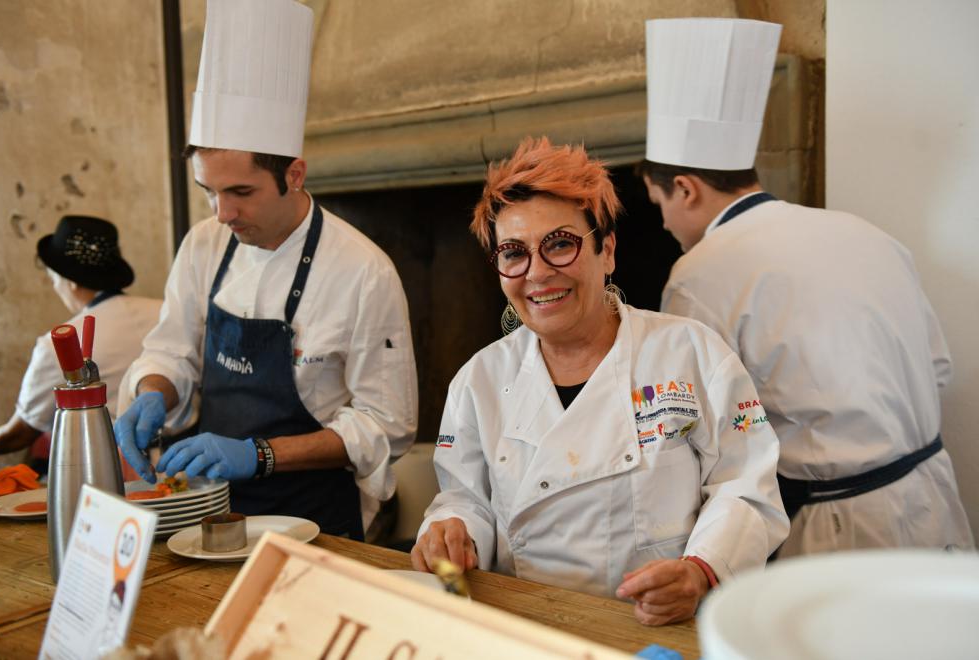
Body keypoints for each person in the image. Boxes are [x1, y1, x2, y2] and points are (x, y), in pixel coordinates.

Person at [411, 137, 788, 626]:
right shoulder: (479, 379)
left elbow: (746, 486)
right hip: (522, 625)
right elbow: (466, 497)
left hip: (651, 627)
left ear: (606, 250)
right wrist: (452, 529)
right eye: (513, 253)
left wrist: (701, 570)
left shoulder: (692, 354)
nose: (538, 274)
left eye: (560, 244)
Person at [639, 17, 974, 557]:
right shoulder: (865, 231)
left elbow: (702, 431)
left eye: (660, 208)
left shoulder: (700, 273)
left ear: (684, 188)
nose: (664, 226)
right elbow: (937, 367)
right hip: (933, 497)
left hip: (840, 529)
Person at [114, 0, 417, 541]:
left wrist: (258, 455)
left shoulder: (363, 272)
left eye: (241, 192)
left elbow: (386, 425)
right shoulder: (204, 245)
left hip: (315, 520)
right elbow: (172, 349)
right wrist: (153, 391)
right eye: (209, 191)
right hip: (207, 512)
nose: (222, 214)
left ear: (294, 174)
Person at [0, 215, 160, 465]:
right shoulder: (164, 312)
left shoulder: (59, 343)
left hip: (108, 468)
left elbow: (20, 434)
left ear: (71, 281)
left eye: (53, 279)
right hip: (179, 463)